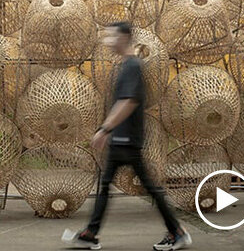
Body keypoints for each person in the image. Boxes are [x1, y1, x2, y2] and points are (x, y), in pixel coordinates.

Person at [63, 22, 192, 251]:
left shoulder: (133, 65)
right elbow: (122, 101)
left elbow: (129, 102)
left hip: (127, 140)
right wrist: (107, 129)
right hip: (121, 139)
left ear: (123, 38)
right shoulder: (126, 65)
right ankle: (91, 233)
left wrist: (105, 129)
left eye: (111, 36)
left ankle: (176, 232)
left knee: (146, 188)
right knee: (108, 185)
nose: (108, 41)